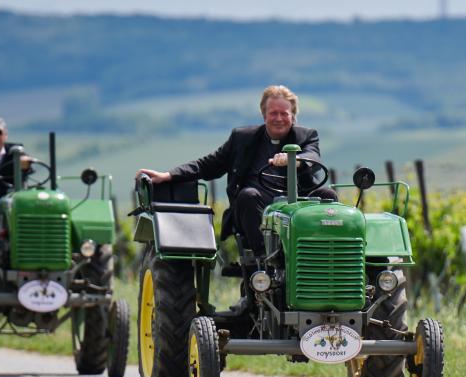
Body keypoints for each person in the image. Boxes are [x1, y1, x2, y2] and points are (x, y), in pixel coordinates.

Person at [138, 85, 336, 253]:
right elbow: (209, 164)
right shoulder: (242, 138)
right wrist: (169, 175)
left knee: (328, 194)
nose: (278, 118)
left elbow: (312, 156)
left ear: (293, 116)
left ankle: (327, 256)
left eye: (284, 113)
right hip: (257, 209)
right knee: (248, 195)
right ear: (263, 115)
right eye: (273, 113)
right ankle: (264, 262)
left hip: (299, 206)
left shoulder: (307, 136)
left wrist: (295, 159)